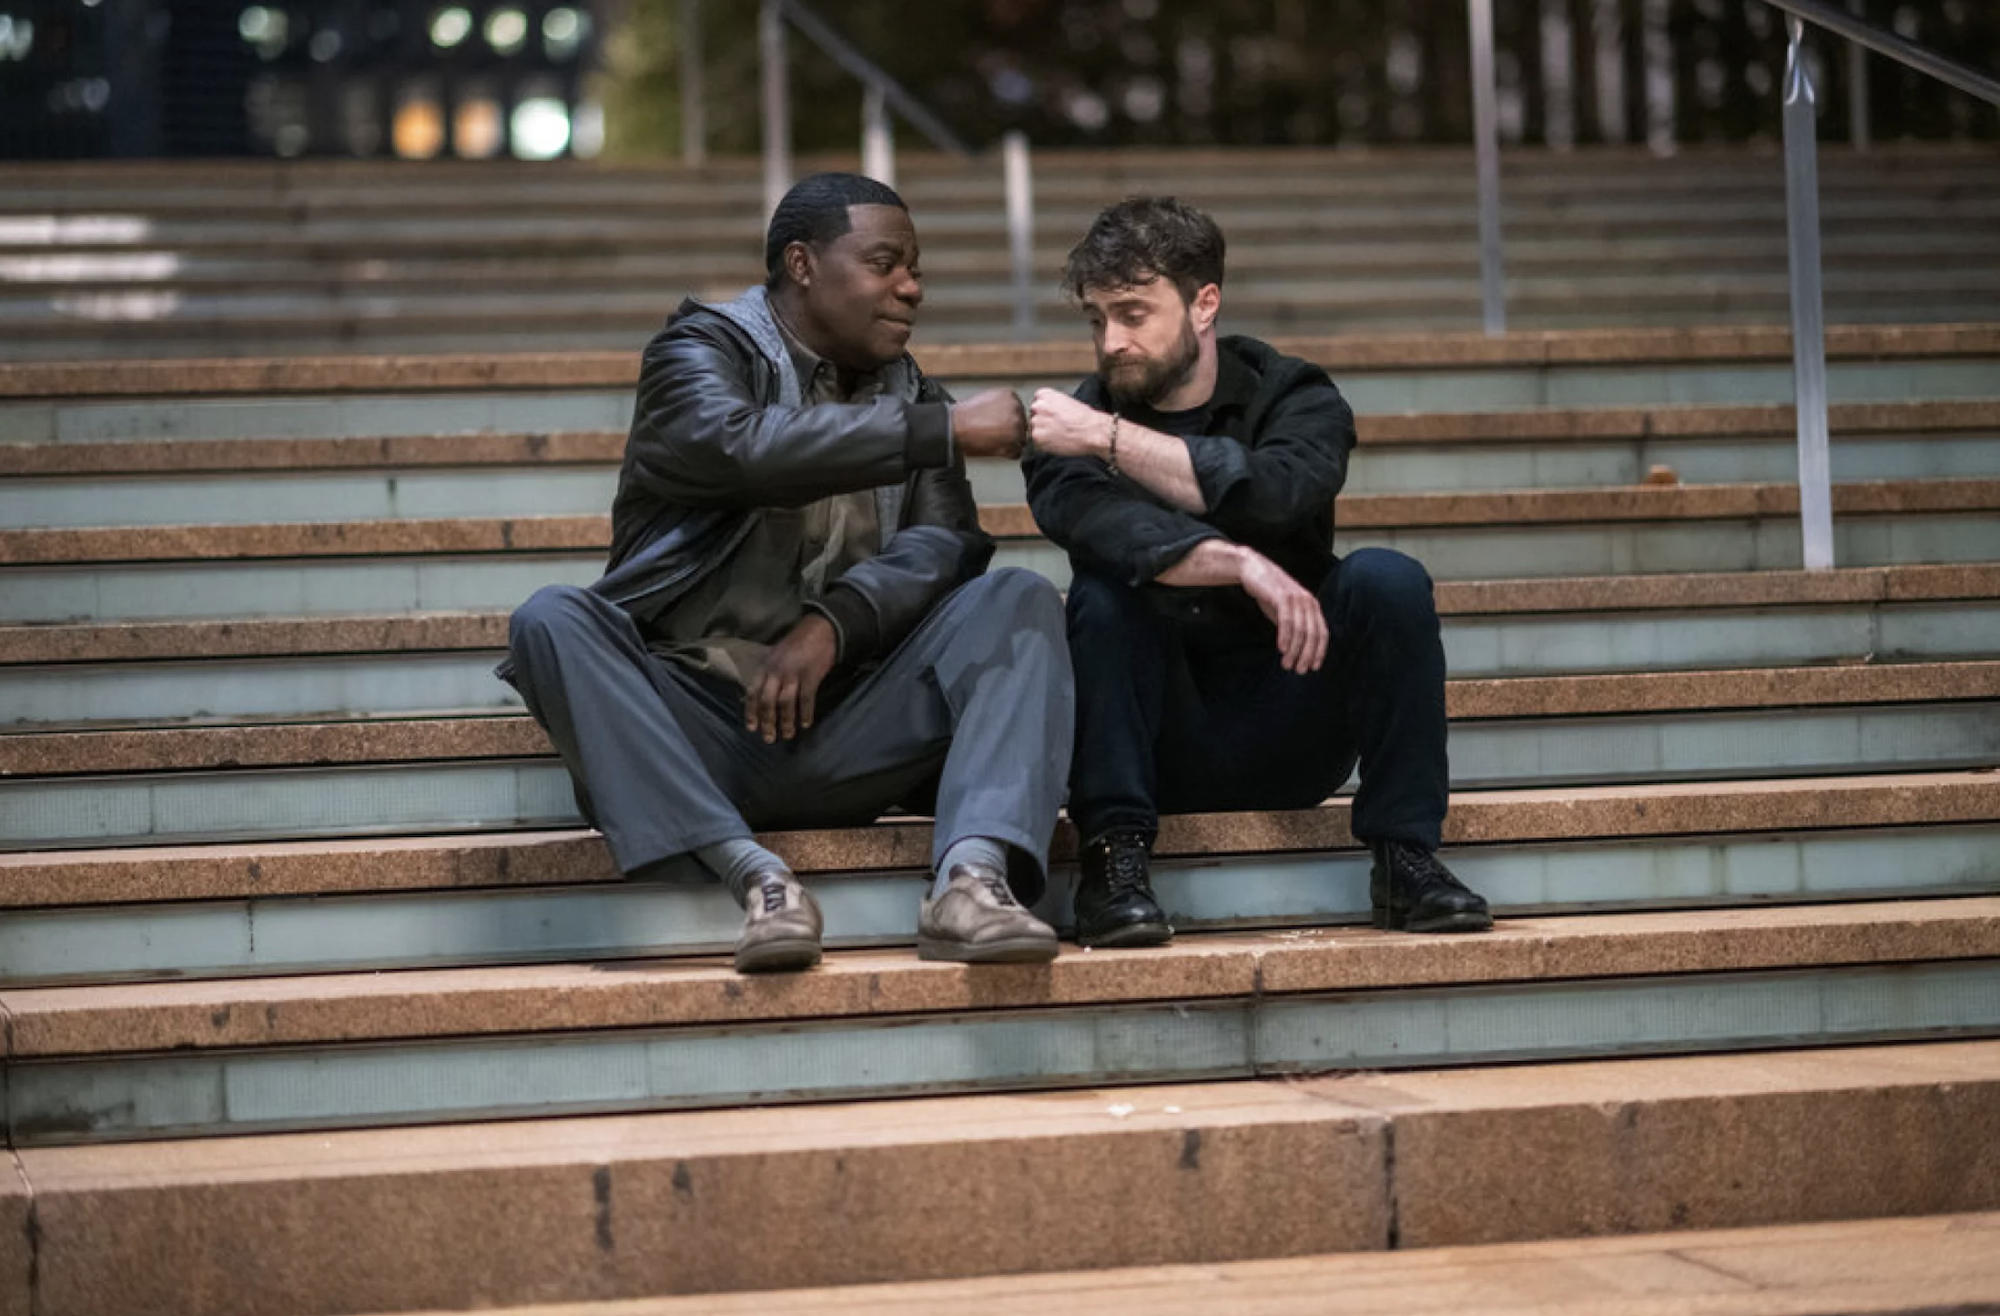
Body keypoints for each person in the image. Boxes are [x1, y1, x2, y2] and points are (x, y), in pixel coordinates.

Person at [505, 172, 1072, 973]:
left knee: (1017, 595)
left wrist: (836, 624)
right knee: (551, 619)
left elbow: (944, 548)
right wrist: (939, 431)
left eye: (915, 270)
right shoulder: (696, 355)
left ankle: (971, 883)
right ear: (802, 264)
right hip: (697, 729)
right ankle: (759, 880)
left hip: (851, 725)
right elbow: (736, 447)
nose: (911, 288)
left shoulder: (913, 391)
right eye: (884, 264)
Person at [1023, 196, 1491, 949]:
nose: (1111, 341)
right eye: (1096, 319)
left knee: (1386, 579)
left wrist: (1111, 440)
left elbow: (1278, 493)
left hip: (1291, 718)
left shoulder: (1292, 394)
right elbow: (1115, 535)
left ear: (1204, 303)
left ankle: (1406, 859)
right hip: (1155, 742)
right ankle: (1112, 864)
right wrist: (1239, 564)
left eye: (1133, 314)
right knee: (1103, 597)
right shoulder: (1065, 429)